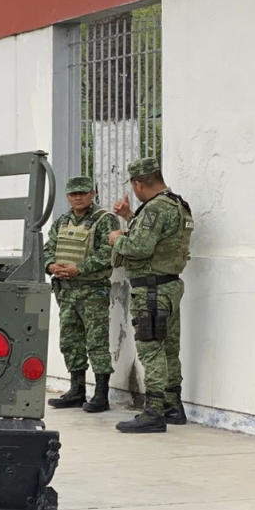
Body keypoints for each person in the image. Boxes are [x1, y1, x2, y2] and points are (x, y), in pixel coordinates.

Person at [109, 157, 192, 433]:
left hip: (151, 291)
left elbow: (140, 247)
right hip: (169, 286)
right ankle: (173, 406)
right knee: (169, 348)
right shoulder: (177, 204)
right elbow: (160, 238)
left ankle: (154, 412)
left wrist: (117, 239)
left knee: (151, 349)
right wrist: (131, 217)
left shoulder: (155, 209)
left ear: (138, 183)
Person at [44, 175, 119, 412]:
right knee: (70, 342)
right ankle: (76, 390)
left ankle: (101, 394)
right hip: (66, 292)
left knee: (96, 343)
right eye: (73, 194)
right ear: (67, 196)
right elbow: (48, 249)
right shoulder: (62, 221)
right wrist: (51, 266)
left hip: (92, 291)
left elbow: (109, 253)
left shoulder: (105, 220)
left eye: (82, 193)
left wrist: (80, 269)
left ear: (92, 194)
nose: (77, 197)